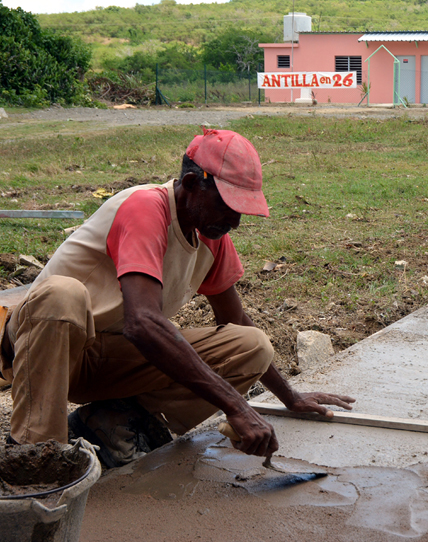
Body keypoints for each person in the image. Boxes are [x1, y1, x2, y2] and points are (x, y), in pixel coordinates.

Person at [0, 128, 355, 468]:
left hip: (106, 356)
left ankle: (114, 426)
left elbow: (235, 322)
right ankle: (36, 456)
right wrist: (236, 406)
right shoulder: (145, 208)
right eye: (227, 206)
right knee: (63, 294)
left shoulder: (212, 237)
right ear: (190, 185)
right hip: (46, 350)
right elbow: (143, 324)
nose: (234, 221)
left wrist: (289, 397)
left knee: (251, 346)